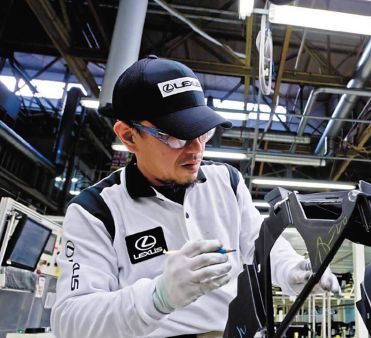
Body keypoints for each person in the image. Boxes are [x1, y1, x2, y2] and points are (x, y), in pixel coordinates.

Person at [50, 56, 340, 338]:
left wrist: (291, 271)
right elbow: (70, 322)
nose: (196, 150)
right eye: (177, 136)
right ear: (128, 136)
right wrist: (158, 296)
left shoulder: (226, 182)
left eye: (203, 133)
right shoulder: (95, 211)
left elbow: (260, 248)